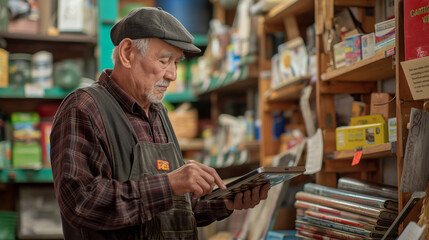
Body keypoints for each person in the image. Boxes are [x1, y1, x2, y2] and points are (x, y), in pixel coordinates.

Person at [50, 7, 270, 240]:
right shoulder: (83, 108)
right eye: (164, 60)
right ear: (127, 53)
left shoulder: (158, 113)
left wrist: (226, 201)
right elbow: (81, 202)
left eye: (176, 62)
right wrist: (170, 184)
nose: (173, 74)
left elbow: (174, 211)